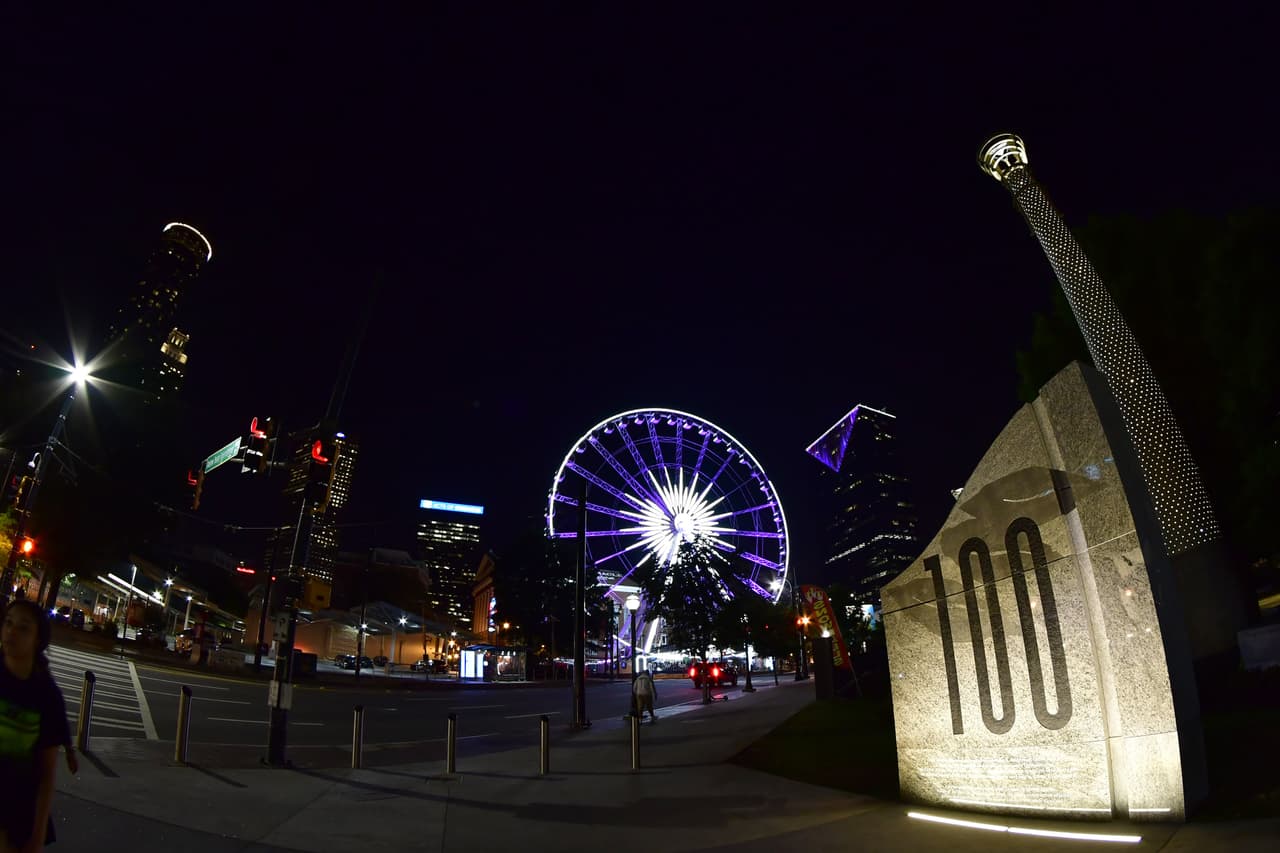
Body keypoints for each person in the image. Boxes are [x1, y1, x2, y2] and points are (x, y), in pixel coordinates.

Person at [1, 599, 72, 850]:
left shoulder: (46, 696)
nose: (12, 632)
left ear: (37, 640)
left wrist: (38, 832)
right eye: (8, 623)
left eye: (23, 628)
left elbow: (46, 774)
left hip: (17, 809)